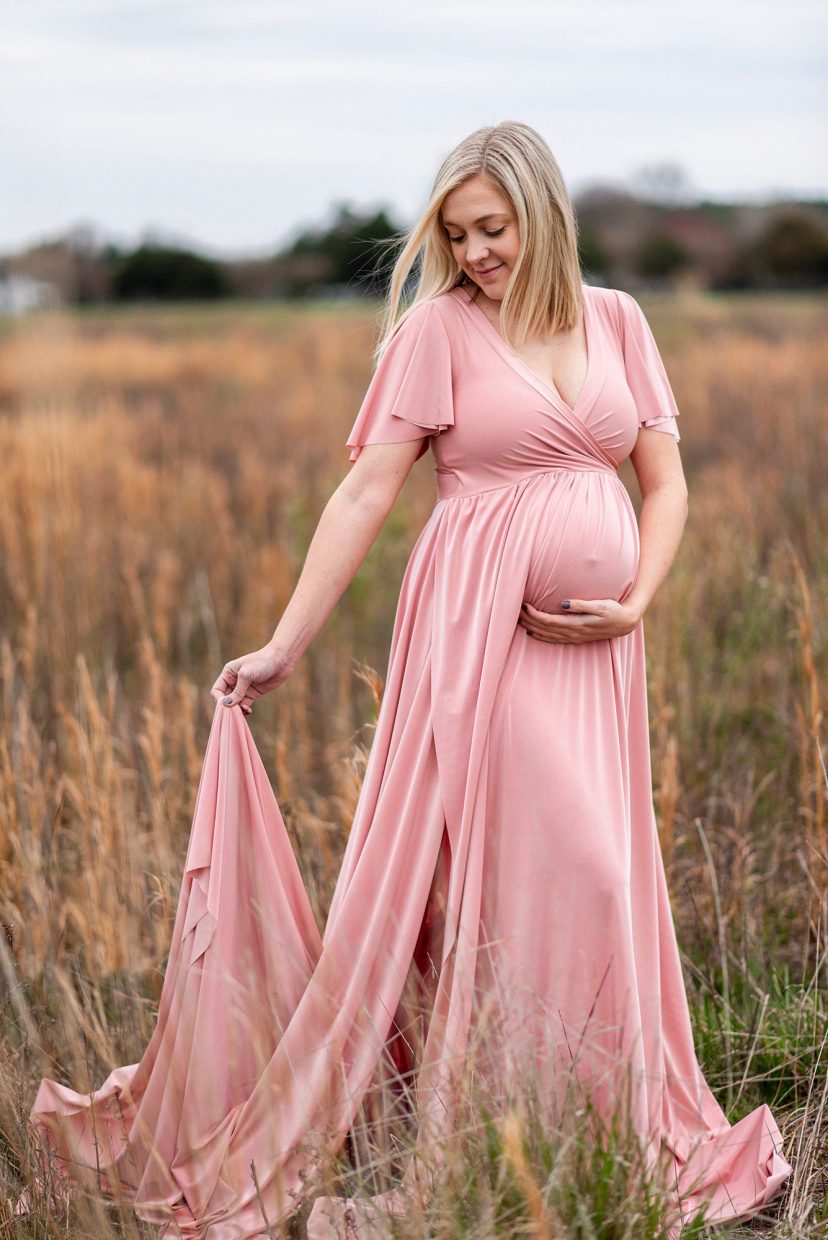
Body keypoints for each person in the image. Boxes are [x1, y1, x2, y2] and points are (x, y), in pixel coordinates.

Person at [22, 121, 791, 1238]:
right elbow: (364, 497)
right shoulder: (437, 332)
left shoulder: (620, 318)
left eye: (494, 227)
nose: (475, 251)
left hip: (601, 652)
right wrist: (284, 644)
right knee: (583, 866)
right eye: (456, 233)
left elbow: (665, 485)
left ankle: (578, 1140)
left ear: (545, 213)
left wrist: (638, 600)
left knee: (584, 876)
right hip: (482, 636)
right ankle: (522, 1135)